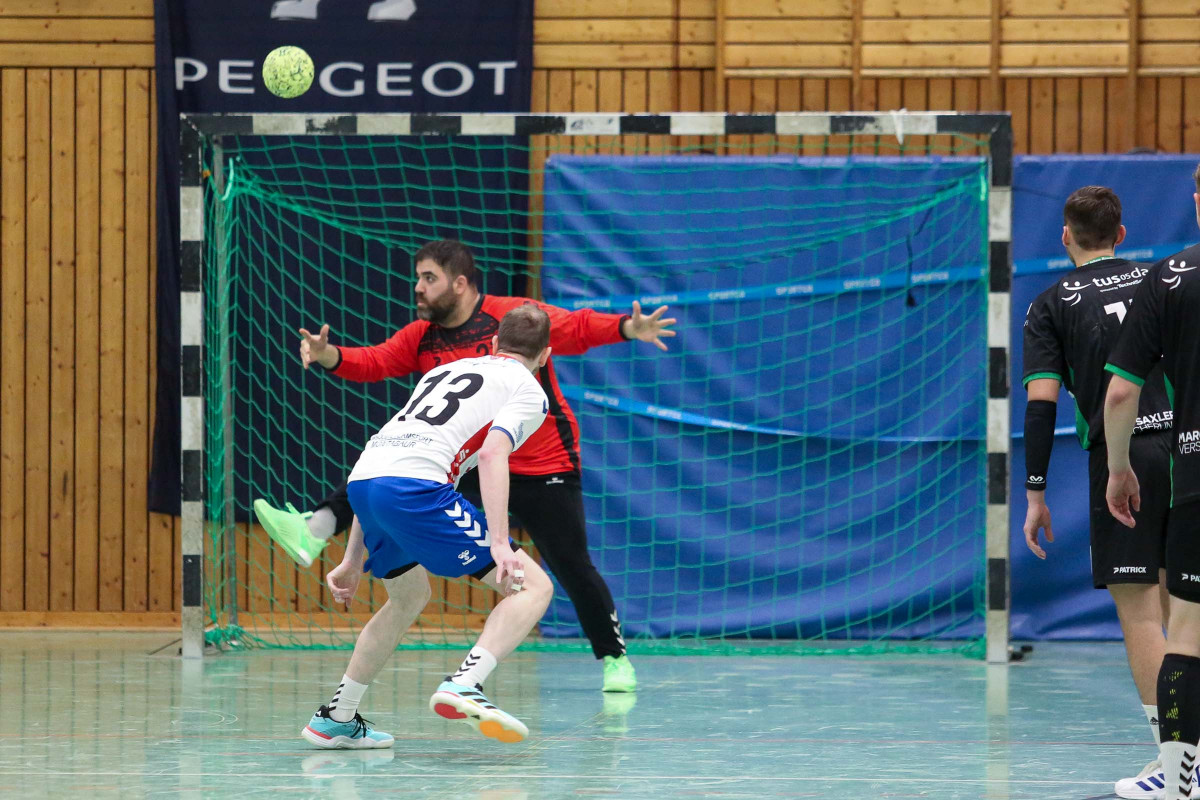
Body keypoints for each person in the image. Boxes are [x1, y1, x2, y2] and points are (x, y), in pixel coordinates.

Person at [256, 239, 675, 693]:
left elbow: (574, 327)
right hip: (476, 462)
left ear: (459, 284)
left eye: (429, 278)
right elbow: (376, 360)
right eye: (417, 277)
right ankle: (316, 530)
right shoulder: (422, 336)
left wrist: (626, 327)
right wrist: (329, 355)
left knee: (571, 564)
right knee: (398, 463)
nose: (418, 287)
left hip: (542, 464)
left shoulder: (511, 316)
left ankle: (614, 658)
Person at [302, 305, 556, 749]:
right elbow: (494, 453)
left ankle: (336, 718)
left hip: (364, 483)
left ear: (494, 344)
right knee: (533, 587)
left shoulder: (443, 372)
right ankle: (466, 684)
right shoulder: (528, 390)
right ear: (546, 355)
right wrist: (500, 542)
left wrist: (352, 557)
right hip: (414, 489)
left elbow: (383, 457)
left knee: (408, 596)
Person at [1022, 186, 1175, 799]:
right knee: (1186, 609)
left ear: (1066, 237)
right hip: (1188, 447)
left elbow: (1041, 407)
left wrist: (1036, 492)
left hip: (1123, 458)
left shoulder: (1049, 305)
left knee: (1140, 612)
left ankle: (1178, 760)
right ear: (1122, 233)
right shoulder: (1164, 279)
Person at [1105, 165, 1200, 800]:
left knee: (1186, 634)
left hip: (1194, 471)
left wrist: (1119, 469)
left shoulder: (1168, 277)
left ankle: (1181, 781)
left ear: (1196, 201)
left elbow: (1120, 393)